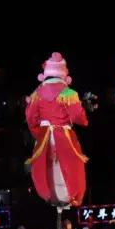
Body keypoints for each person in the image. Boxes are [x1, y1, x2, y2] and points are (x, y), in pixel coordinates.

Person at [25, 52, 89, 208]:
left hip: (45, 136)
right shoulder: (69, 93)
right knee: (70, 166)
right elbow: (77, 116)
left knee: (45, 166)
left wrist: (38, 133)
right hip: (64, 134)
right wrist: (84, 119)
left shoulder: (36, 94)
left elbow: (30, 117)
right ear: (64, 74)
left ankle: (49, 194)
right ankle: (70, 195)